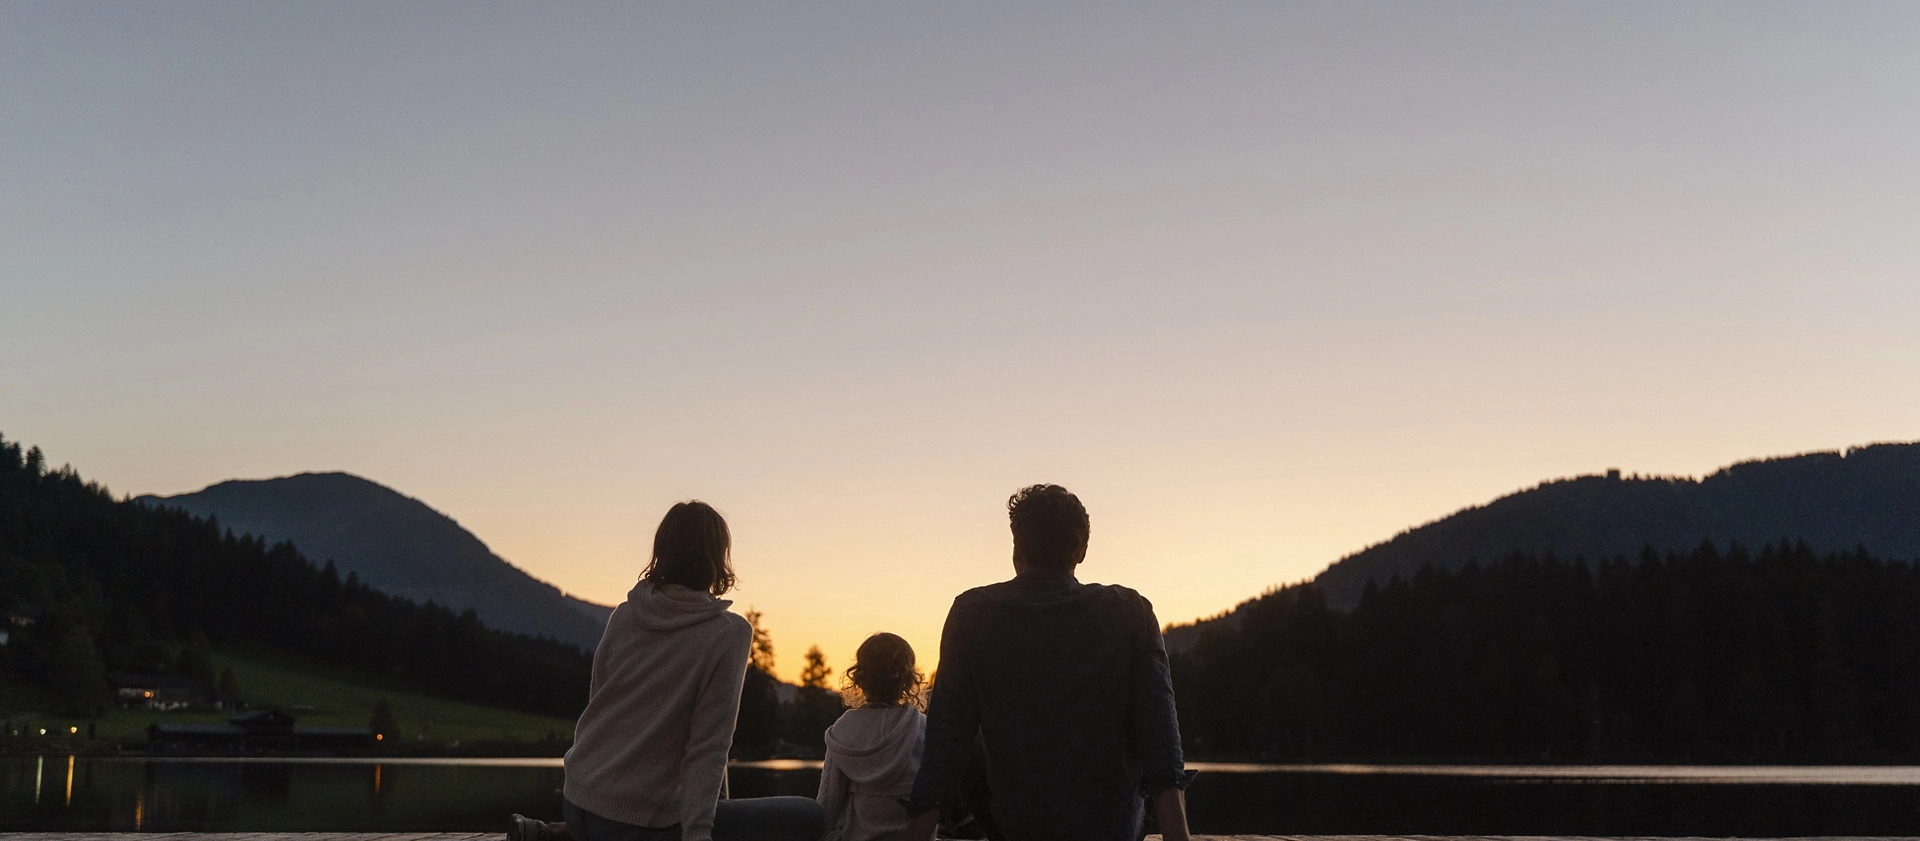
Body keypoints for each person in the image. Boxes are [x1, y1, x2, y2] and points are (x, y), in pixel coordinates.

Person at [511, 501, 823, 841]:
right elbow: (709, 745)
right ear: (718, 557)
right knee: (808, 816)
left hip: (579, 799)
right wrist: (699, 834)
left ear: (662, 551)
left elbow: (599, 706)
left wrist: (714, 808)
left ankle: (562, 834)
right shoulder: (728, 633)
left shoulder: (625, 615)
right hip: (635, 819)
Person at [904, 485, 1194, 841]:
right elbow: (1161, 739)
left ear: (1016, 547)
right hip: (1111, 830)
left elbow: (946, 744)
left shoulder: (971, 613)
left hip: (1017, 828)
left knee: (968, 736)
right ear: (1082, 550)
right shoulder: (1131, 612)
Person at [817, 632, 928, 841]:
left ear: (859, 676)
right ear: (907, 679)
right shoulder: (923, 728)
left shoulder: (844, 729)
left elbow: (828, 803)